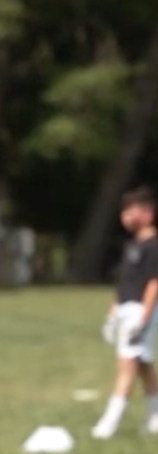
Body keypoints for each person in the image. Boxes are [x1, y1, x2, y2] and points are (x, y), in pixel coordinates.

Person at [91, 186, 158, 439]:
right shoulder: (131, 245)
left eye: (132, 211)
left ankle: (109, 423)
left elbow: (154, 282)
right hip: (126, 308)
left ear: (147, 213)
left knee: (126, 365)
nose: (126, 217)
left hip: (142, 310)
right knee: (143, 365)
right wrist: (112, 314)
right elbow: (125, 283)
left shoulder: (154, 246)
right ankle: (155, 418)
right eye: (124, 212)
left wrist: (143, 317)